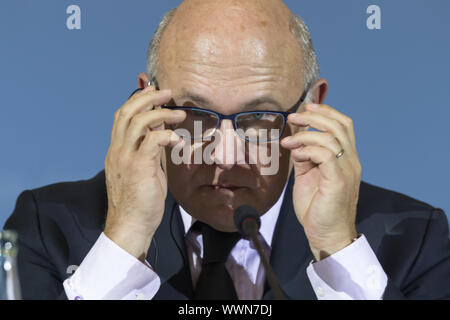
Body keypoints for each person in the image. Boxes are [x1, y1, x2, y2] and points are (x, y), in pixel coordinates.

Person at [5, 0, 450, 300]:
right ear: (145, 102)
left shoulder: (413, 239)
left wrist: (337, 251)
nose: (227, 155)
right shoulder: (47, 226)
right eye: (197, 117)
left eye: (259, 120)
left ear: (313, 109)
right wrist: (123, 244)